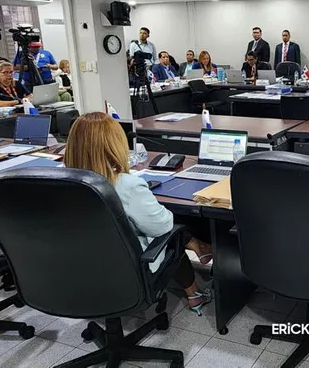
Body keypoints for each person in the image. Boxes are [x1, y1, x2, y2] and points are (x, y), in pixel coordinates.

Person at [63, 112, 213, 313]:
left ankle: (198, 248)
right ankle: (194, 292)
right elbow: (162, 226)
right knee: (173, 232)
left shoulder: (62, 182)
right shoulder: (126, 184)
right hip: (127, 267)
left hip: (82, 265)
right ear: (114, 144)